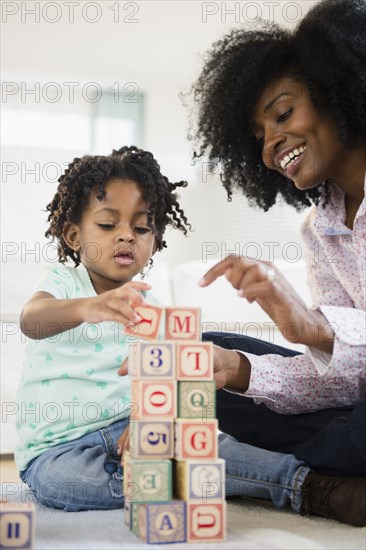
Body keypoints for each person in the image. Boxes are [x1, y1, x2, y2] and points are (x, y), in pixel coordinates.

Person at [189, 0, 366, 527]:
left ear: (340, 92)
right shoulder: (319, 232)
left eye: (283, 114)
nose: (270, 147)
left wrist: (311, 325)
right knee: (198, 362)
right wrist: (242, 372)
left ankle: (326, 462)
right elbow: (347, 380)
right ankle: (338, 459)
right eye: (260, 136)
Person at [15, 145, 190, 511]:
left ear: (154, 241)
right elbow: (32, 320)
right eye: (108, 225)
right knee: (61, 482)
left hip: (127, 432)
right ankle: (167, 482)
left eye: (142, 227)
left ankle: (292, 480)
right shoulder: (64, 281)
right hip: (60, 448)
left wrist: (146, 419)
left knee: (207, 443)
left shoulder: (152, 309)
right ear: (74, 237)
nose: (127, 235)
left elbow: (165, 383)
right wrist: (89, 306)